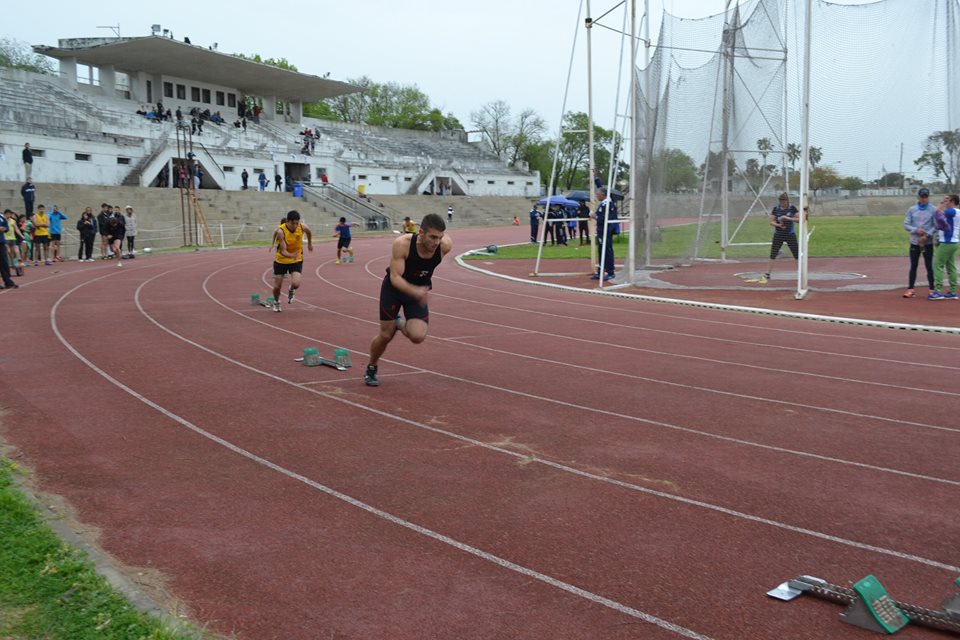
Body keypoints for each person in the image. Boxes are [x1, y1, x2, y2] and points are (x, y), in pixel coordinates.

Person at [363, 213, 453, 387]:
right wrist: (415, 291)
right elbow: (395, 277)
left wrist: (417, 292)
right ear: (421, 233)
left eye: (439, 238)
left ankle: (398, 323)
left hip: (417, 293)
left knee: (418, 336)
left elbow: (443, 238)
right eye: (432, 237)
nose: (436, 242)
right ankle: (372, 367)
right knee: (385, 335)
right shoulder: (402, 244)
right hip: (394, 290)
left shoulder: (444, 246)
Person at [271, 210, 313, 312]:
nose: (295, 225)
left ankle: (291, 290)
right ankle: (276, 302)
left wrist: (309, 244)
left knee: (296, 284)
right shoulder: (281, 231)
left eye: (296, 223)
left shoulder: (302, 227)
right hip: (281, 260)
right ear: (287, 221)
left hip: (296, 259)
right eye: (292, 223)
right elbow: (283, 251)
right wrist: (291, 255)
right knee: (277, 286)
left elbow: (309, 232)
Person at [902, 187, 937, 298]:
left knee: (929, 266)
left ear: (928, 197)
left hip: (927, 242)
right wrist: (916, 230)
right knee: (913, 265)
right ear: (918, 197)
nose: (924, 199)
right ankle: (910, 289)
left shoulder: (933, 209)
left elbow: (936, 225)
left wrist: (927, 235)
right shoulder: (912, 209)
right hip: (915, 241)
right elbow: (906, 224)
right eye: (922, 196)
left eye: (926, 197)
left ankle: (932, 289)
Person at [929, 194, 960, 300]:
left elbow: (937, 213)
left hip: (947, 242)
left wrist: (942, 203)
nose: (946, 202)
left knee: (938, 265)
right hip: (953, 242)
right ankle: (952, 291)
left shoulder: (952, 211)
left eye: (948, 200)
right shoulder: (956, 212)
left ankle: (938, 291)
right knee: (951, 267)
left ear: (952, 201)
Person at [764, 193, 801, 281]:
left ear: (787, 201)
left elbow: (799, 219)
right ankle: (767, 273)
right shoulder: (776, 208)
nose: (782, 203)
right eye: (781, 201)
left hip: (790, 234)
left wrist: (788, 218)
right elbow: (771, 221)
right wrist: (778, 225)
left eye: (784, 201)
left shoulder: (792, 208)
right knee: (773, 253)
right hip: (778, 234)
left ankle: (800, 273)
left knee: (796, 253)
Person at [590, 186, 616, 281]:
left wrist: (594, 216)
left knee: (607, 251)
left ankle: (610, 272)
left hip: (606, 231)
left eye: (598, 194)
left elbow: (604, 218)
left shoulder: (608, 204)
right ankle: (600, 271)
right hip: (602, 231)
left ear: (603, 195)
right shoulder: (604, 204)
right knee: (601, 251)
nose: (597, 196)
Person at [0, 212, 19, 289]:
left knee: (4, 263)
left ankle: (8, 282)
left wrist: (4, 229)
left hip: (1, 242)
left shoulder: (1, 216)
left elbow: (6, 226)